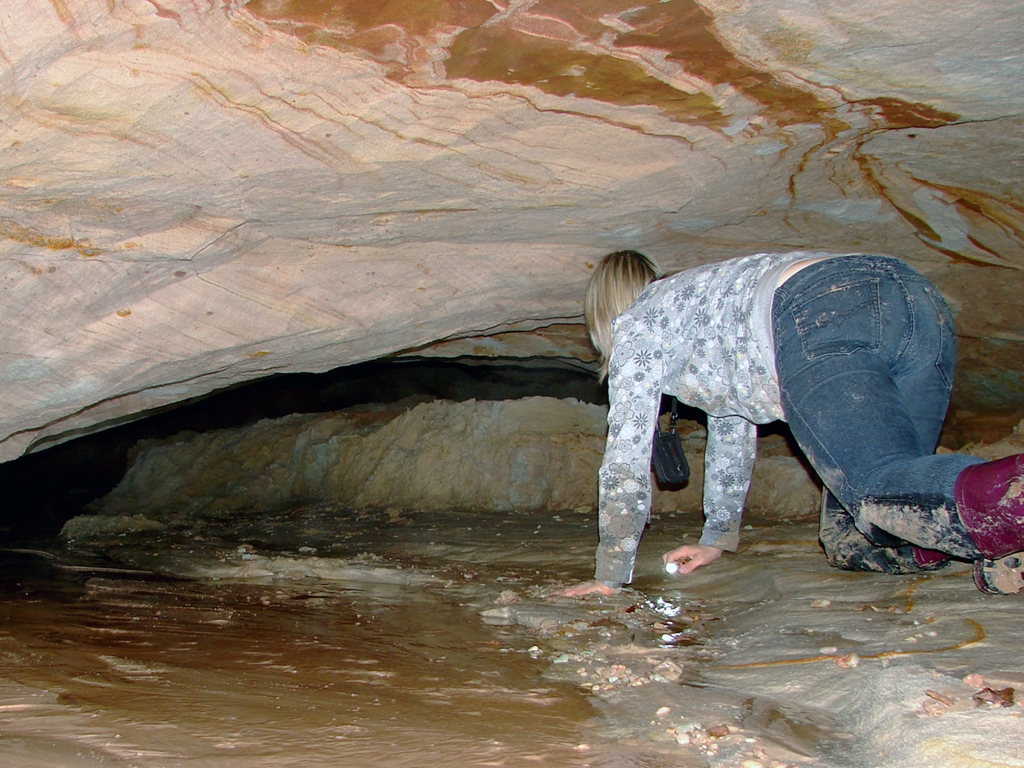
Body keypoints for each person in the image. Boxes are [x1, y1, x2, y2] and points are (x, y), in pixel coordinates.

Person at [557, 250, 1024, 597]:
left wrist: (610, 575)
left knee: (882, 492)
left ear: (602, 314)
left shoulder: (638, 324)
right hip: (917, 303)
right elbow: (733, 432)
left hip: (822, 304)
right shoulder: (699, 314)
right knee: (863, 530)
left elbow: (626, 459)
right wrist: (716, 540)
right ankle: (998, 548)